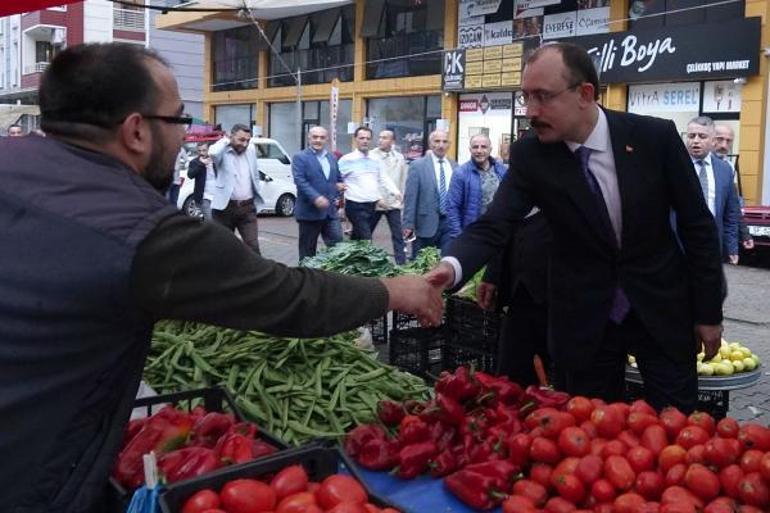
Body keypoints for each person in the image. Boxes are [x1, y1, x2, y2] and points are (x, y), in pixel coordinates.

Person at [0, 43, 443, 513]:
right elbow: (289, 297)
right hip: (31, 472)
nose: (183, 137)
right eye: (178, 121)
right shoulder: (145, 230)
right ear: (136, 131)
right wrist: (395, 290)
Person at [426, 43, 724, 412]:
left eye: (543, 97)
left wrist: (709, 312)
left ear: (585, 94)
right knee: (590, 431)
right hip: (584, 322)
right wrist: (450, 268)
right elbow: (495, 224)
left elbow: (698, 226)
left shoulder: (654, 139)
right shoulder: (532, 155)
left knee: (676, 427)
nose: (531, 111)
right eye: (526, 97)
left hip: (661, 310)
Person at [478, 209, 552, 387]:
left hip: (562, 294)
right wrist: (492, 274)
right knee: (511, 379)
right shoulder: (520, 184)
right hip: (519, 292)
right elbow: (504, 219)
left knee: (564, 387)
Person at [685, 116, 741, 264]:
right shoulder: (675, 165)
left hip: (711, 244)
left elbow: (731, 213)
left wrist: (732, 246)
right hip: (679, 243)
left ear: (712, 140)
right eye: (691, 136)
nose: (696, 140)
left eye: (702, 136)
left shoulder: (725, 170)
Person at [338, 126, 401, 241]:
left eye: (368, 138)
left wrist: (395, 192)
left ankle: (348, 257)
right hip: (355, 206)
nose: (365, 141)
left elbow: (383, 178)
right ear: (355, 139)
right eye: (362, 138)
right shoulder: (346, 160)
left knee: (357, 239)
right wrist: (338, 188)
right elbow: (336, 179)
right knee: (367, 239)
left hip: (371, 206)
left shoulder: (375, 159)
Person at [402, 130, 458, 256]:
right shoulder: (418, 166)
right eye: (437, 141)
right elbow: (411, 197)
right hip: (424, 224)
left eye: (444, 141)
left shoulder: (455, 166)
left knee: (445, 262)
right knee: (421, 264)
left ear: (449, 144)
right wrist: (408, 224)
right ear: (430, 144)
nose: (441, 145)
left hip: (449, 224)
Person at [209, 123, 263, 254]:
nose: (244, 144)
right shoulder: (223, 151)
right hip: (225, 208)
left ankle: (255, 274)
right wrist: (225, 140)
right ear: (231, 136)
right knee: (224, 247)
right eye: (241, 140)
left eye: (247, 140)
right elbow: (212, 153)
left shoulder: (250, 151)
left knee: (253, 246)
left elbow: (255, 174)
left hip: (247, 208)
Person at [292, 126, 344, 260]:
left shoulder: (331, 157)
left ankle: (332, 276)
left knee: (338, 246)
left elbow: (337, 178)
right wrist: (316, 198)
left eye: (321, 137)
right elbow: (300, 181)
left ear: (326, 139)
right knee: (307, 253)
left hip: (330, 213)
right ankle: (306, 278)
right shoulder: (300, 157)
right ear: (309, 138)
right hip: (309, 213)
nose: (318, 140)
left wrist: (339, 190)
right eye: (315, 137)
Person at [446, 134, 507, 239]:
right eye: (475, 147)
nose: (479, 151)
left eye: (483, 147)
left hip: (499, 232)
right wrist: (458, 236)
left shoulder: (502, 170)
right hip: (472, 233)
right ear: (470, 149)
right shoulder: (461, 173)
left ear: (490, 149)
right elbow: (452, 207)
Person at [713, 123, 754, 251]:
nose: (724, 145)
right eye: (720, 139)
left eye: (728, 141)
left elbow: (733, 206)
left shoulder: (728, 168)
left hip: (715, 238)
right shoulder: (693, 163)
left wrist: (745, 234)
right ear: (710, 138)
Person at [370, 130, 408, 264]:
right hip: (375, 203)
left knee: (398, 235)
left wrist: (402, 194)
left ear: (392, 141)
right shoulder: (371, 156)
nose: (380, 140)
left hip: (394, 203)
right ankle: (364, 261)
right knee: (366, 234)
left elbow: (403, 178)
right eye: (379, 137)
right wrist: (377, 198)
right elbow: (369, 180)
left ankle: (401, 264)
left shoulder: (399, 157)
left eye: (385, 138)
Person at [186, 141, 215, 220]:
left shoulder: (215, 160)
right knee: (210, 220)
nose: (202, 153)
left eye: (204, 150)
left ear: (209, 150)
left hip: (217, 196)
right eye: (199, 151)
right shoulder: (195, 162)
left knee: (218, 220)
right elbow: (190, 175)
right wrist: (201, 164)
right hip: (204, 196)